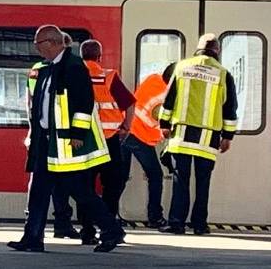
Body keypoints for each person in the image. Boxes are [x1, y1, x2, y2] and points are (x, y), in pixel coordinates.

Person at [10, 25, 126, 253]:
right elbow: (39, 106)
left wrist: (77, 134)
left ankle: (110, 230)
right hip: (46, 140)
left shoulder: (74, 67)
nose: (36, 48)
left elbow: (84, 102)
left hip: (66, 143)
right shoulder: (45, 68)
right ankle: (32, 237)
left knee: (80, 190)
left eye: (39, 44)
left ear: (52, 43)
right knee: (38, 190)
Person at [157, 34, 240, 235]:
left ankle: (176, 223)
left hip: (181, 135)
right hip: (208, 138)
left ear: (198, 48)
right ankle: (199, 225)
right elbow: (230, 108)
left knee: (180, 181)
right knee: (203, 183)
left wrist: (164, 123)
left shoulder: (182, 67)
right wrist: (228, 136)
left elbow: (169, 99)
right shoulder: (223, 73)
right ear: (217, 51)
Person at [80, 39, 137, 239]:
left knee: (84, 187)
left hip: (83, 141)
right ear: (99, 57)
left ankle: (87, 231)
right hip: (108, 141)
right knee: (112, 185)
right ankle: (108, 228)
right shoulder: (109, 77)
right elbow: (130, 104)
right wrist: (126, 126)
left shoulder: (74, 75)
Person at [124, 69, 172, 230]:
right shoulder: (165, 94)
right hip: (139, 137)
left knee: (119, 177)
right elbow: (156, 119)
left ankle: (109, 214)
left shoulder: (153, 79)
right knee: (156, 176)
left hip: (125, 131)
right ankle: (155, 217)